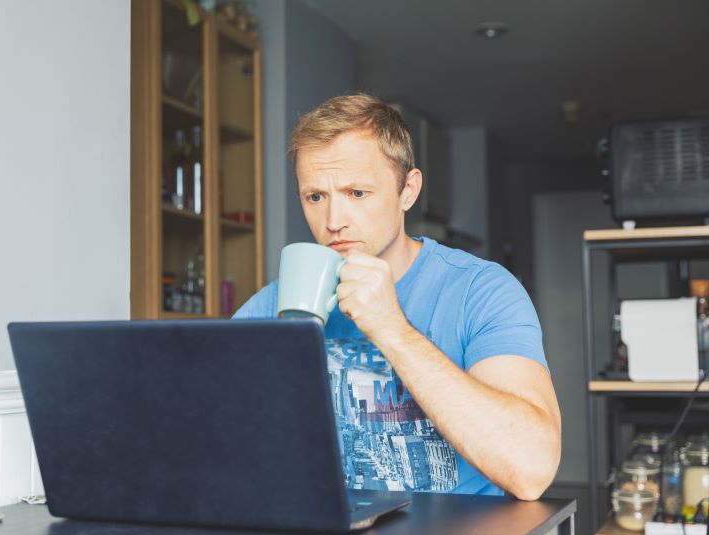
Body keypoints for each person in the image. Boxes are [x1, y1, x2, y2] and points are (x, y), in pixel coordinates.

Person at [234, 93, 561, 500]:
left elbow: (532, 469)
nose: (334, 222)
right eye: (315, 197)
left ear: (408, 191)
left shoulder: (481, 290)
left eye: (357, 193)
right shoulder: (275, 304)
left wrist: (392, 329)